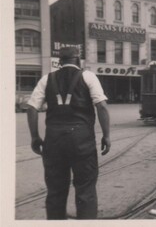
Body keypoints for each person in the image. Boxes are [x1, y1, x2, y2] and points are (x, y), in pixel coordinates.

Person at [26, 47, 111, 220]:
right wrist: (106, 135)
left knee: (55, 192)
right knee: (85, 190)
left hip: (54, 141)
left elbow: (31, 108)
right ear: (78, 60)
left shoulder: (46, 79)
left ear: (59, 61)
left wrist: (35, 136)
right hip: (82, 141)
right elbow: (101, 106)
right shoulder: (88, 76)